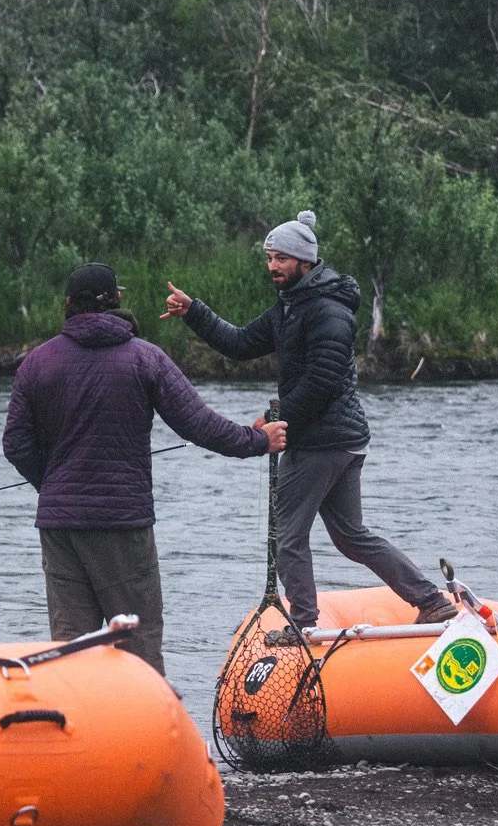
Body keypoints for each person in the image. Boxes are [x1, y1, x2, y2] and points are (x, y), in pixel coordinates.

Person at [163, 210, 455, 637]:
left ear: (304, 261)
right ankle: (431, 601)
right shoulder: (290, 307)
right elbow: (242, 344)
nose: (272, 267)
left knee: (288, 536)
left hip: (323, 442)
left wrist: (275, 418)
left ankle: (303, 625)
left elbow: (322, 382)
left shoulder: (328, 311)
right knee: (352, 536)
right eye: (268, 258)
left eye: (280, 258)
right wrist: (195, 312)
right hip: (337, 440)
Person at [2, 262, 286, 674]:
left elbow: (15, 444)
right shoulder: (144, 358)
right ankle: (143, 735)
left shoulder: (37, 363)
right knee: (139, 648)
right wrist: (258, 441)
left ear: (67, 305)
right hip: (123, 524)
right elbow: (199, 424)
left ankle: (76, 734)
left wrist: (55, 486)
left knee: (69, 654)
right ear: (117, 300)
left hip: (60, 529)